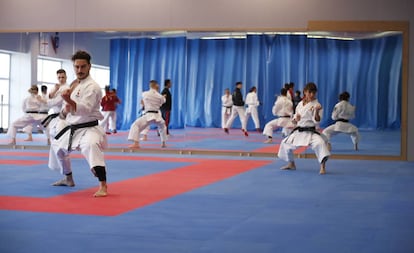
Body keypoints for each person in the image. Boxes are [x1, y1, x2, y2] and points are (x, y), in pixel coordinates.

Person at [48, 50, 108, 197]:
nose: (79, 70)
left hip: (89, 127)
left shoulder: (92, 87)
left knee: (91, 146)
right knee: (58, 147)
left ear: (89, 66)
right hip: (73, 127)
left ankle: (103, 186)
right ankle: (68, 178)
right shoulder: (76, 84)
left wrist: (68, 100)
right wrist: (64, 111)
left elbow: (86, 109)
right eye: (77, 67)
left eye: (83, 67)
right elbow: (70, 107)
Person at [278, 82, 330, 175]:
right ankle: (291, 164)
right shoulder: (300, 104)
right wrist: (295, 119)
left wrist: (317, 112)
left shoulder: (317, 105)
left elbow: (317, 120)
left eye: (314, 93)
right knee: (285, 143)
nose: (312, 95)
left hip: (311, 131)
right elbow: (294, 121)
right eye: (310, 92)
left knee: (320, 143)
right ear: (305, 92)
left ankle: (322, 167)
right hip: (299, 131)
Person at [128, 80, 167, 149]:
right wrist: (163, 97)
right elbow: (162, 102)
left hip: (148, 115)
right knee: (163, 127)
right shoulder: (160, 96)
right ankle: (163, 143)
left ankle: (136, 143)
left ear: (150, 85)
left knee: (135, 125)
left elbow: (143, 101)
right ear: (156, 86)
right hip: (157, 115)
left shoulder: (144, 94)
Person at [41, 69, 70, 142]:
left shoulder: (67, 88)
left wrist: (45, 101)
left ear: (66, 77)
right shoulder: (56, 86)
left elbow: (56, 102)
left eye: (63, 77)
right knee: (52, 134)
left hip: (63, 116)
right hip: (56, 115)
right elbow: (49, 96)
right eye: (59, 77)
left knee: (59, 136)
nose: (61, 79)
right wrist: (55, 90)